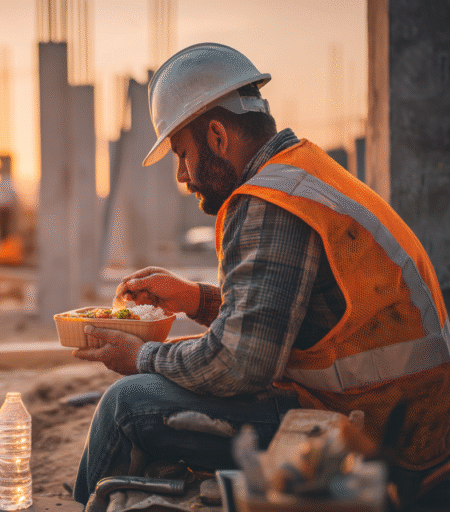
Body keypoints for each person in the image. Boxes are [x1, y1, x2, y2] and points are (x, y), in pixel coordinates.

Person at [70, 42, 450, 507]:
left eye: (181, 153)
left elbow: (240, 365)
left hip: (376, 431)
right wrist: (196, 300)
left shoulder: (268, 201)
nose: (182, 176)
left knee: (127, 404)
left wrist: (142, 355)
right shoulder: (301, 176)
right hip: (406, 415)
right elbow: (282, 319)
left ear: (217, 136)